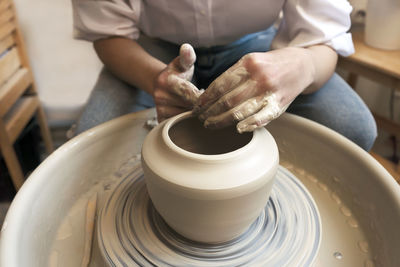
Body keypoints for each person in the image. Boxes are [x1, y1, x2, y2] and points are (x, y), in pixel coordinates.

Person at [71, 0, 377, 150]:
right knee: (89, 143)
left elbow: (324, 40)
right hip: (151, 49)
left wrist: (304, 64)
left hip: (252, 41)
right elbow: (107, 32)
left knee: (351, 128)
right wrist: (156, 79)